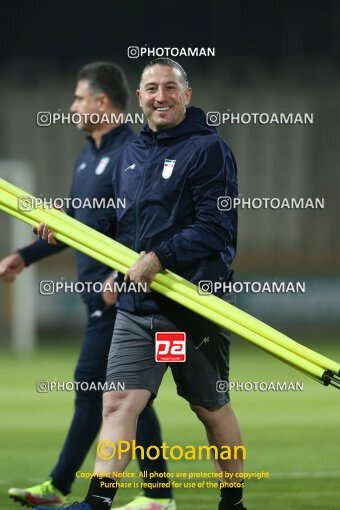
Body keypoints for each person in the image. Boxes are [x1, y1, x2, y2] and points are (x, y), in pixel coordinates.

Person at [33, 58, 246, 510]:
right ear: (141, 97)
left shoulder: (209, 150)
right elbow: (115, 222)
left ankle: (232, 503)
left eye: (171, 87)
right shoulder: (132, 153)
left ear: (187, 95)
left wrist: (160, 256)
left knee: (208, 408)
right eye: (152, 88)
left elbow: (216, 228)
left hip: (187, 308)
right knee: (117, 404)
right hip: (138, 309)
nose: (161, 96)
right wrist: (64, 227)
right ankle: (97, 502)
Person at [0, 62, 175, 510]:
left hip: (122, 296)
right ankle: (158, 496)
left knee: (96, 388)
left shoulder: (131, 151)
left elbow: (149, 219)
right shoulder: (88, 154)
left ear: (101, 101)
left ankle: (61, 486)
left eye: (79, 98)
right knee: (130, 399)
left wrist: (122, 272)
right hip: (99, 296)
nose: (73, 106)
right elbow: (76, 226)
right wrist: (24, 256)